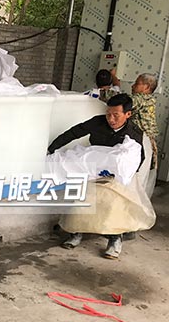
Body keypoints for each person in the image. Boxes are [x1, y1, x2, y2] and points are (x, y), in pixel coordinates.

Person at [48, 93, 144, 259]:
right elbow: (73, 133)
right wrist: (51, 149)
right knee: (81, 198)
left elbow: (138, 157)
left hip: (114, 176)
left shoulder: (134, 133)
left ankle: (115, 240)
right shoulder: (97, 122)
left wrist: (124, 175)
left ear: (127, 114)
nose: (111, 119)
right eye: (108, 114)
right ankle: (76, 233)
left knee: (113, 203)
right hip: (92, 168)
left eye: (116, 115)